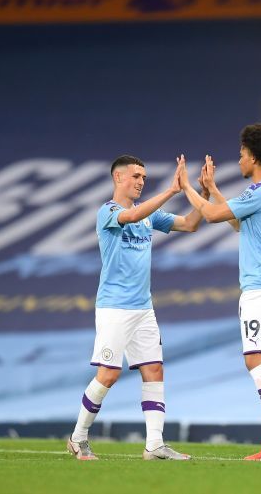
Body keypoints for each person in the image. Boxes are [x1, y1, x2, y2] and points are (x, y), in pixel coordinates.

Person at [67, 154, 205, 461]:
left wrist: (204, 192)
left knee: (154, 369)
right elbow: (129, 217)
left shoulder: (149, 215)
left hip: (144, 308)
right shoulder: (108, 211)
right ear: (118, 178)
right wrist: (171, 191)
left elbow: (192, 224)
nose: (141, 181)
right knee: (108, 375)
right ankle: (78, 437)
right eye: (136, 176)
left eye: (144, 177)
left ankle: (154, 445)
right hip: (114, 308)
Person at [180, 124, 261, 461]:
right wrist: (213, 188)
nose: (239, 160)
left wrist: (187, 189)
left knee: (255, 359)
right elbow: (236, 221)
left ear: (254, 156)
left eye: (242, 154)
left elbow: (212, 215)